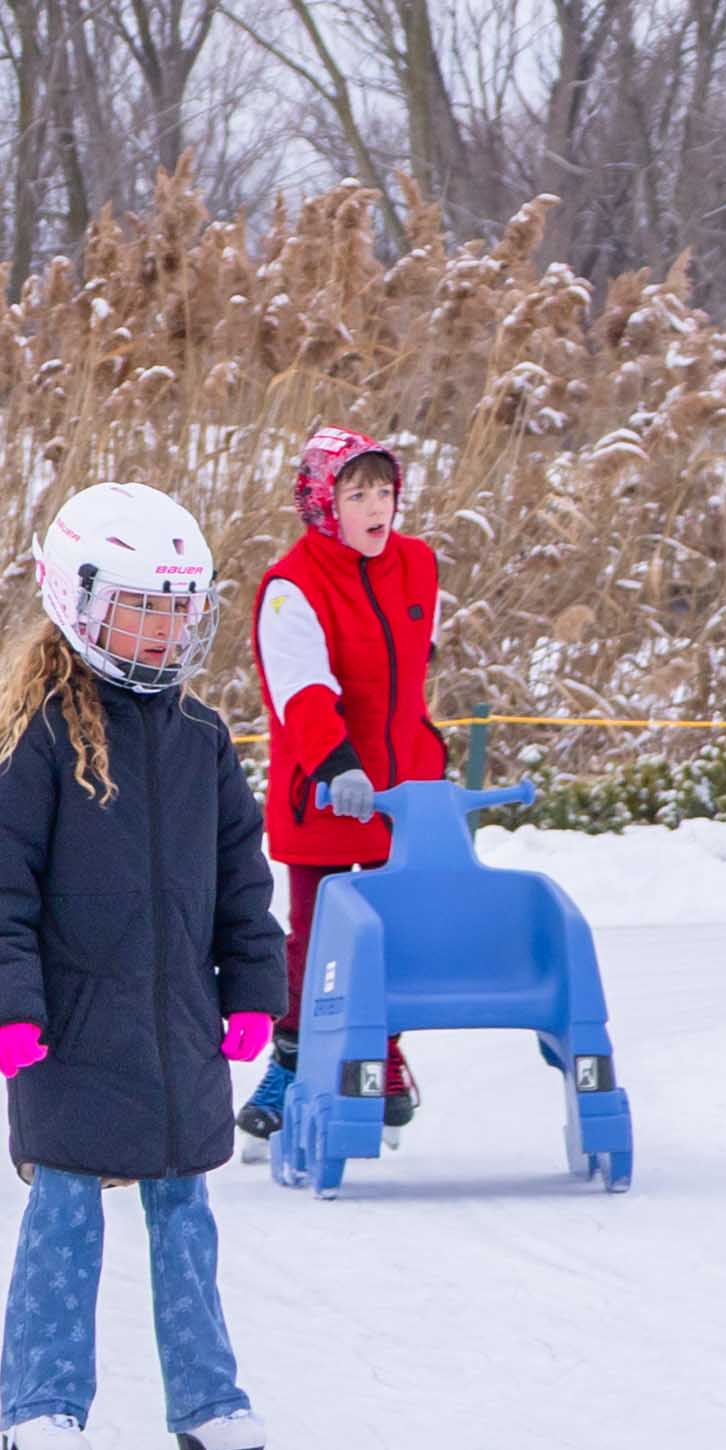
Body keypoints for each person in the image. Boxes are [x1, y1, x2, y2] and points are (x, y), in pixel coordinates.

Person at [0, 485, 286, 1450]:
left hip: (179, 1031)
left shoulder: (201, 739)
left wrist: (252, 990)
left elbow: (243, 881)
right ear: (83, 604)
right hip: (69, 1035)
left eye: (178, 611)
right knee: (65, 1219)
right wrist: (10, 1011)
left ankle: (209, 1400)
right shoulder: (43, 739)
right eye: (143, 609)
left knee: (185, 1219)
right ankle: (43, 1405)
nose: (164, 631)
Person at [239, 423, 450, 1147]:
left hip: (403, 793)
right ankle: (291, 1063)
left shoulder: (420, 565)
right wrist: (337, 765)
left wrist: (424, 759)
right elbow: (301, 690)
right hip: (327, 790)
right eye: (356, 495)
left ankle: (381, 1054)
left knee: (396, 928)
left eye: (383, 491)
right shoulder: (291, 586)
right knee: (316, 935)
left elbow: (413, 669)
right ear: (323, 505)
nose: (375, 507)